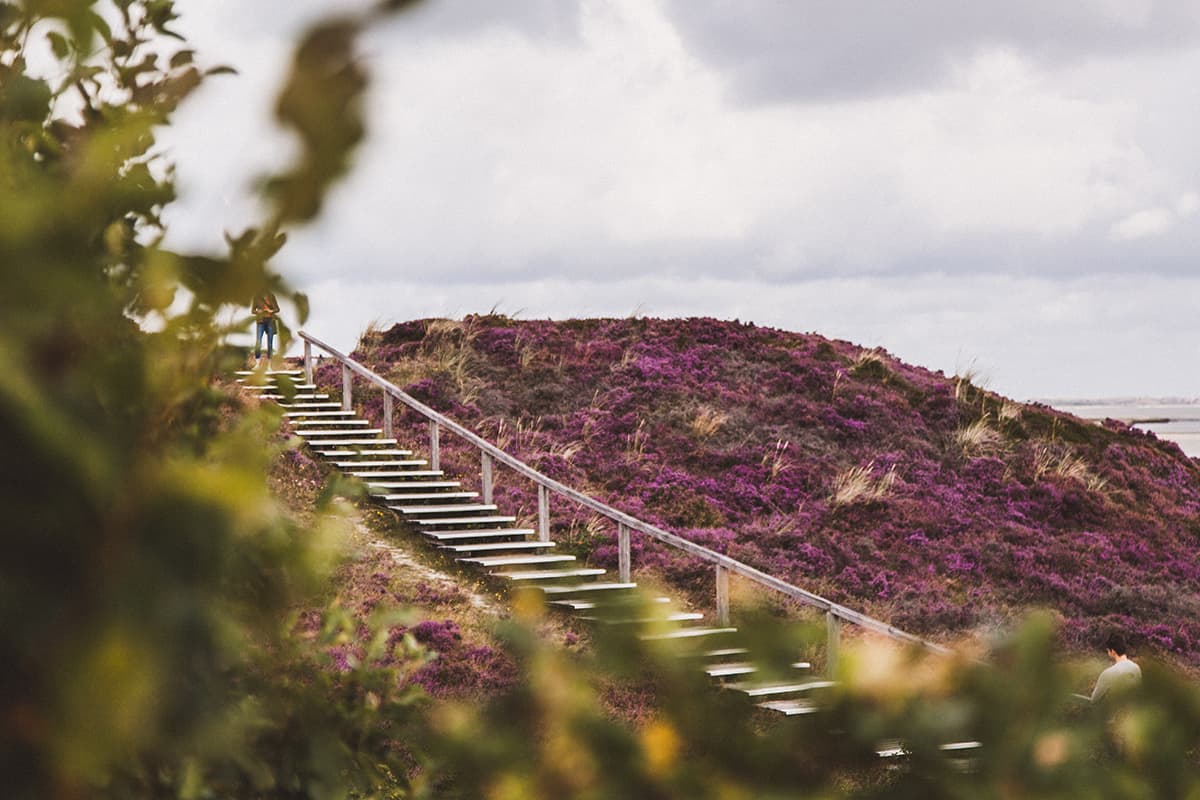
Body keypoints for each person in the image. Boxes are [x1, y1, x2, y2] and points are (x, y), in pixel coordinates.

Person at [1090, 633, 1141, 704]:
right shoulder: (1136, 668)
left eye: (1108, 650)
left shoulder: (1108, 673)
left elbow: (1094, 700)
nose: (1108, 652)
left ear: (1113, 651)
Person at [252, 292, 280, 366]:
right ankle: (257, 365)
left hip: (270, 321)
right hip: (260, 321)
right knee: (258, 342)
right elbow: (253, 311)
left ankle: (269, 366)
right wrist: (258, 311)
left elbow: (277, 309)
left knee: (270, 343)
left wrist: (271, 311)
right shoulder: (256, 297)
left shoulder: (271, 296)